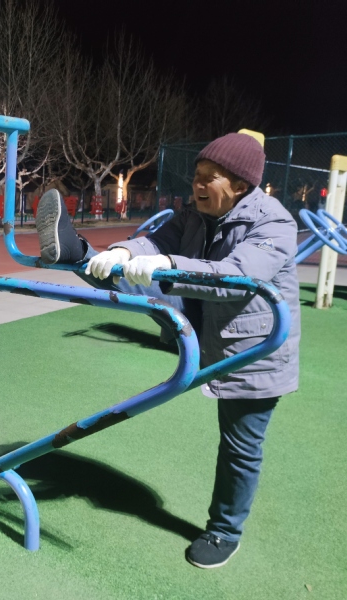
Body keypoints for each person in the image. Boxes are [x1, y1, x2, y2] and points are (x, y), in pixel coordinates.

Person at [36, 132, 301, 569]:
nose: (197, 184)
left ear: (239, 185)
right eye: (196, 175)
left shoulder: (274, 224)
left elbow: (237, 276)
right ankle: (76, 252)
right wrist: (124, 249)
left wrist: (169, 264)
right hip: (200, 321)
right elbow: (156, 240)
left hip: (254, 350)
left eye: (210, 177)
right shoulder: (194, 213)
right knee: (126, 274)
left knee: (239, 448)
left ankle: (224, 531)